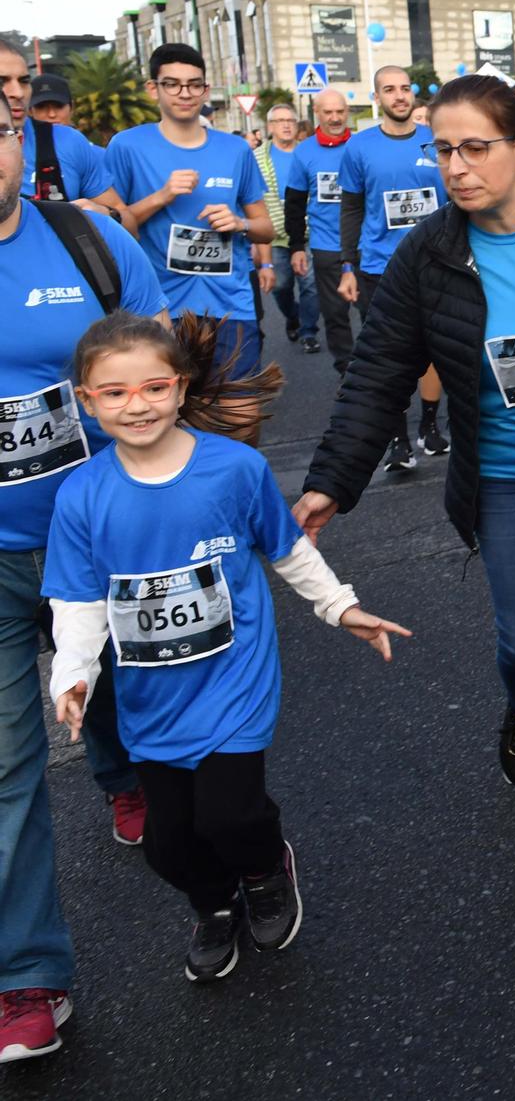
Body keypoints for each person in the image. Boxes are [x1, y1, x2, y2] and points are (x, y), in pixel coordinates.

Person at [294, 74, 515, 854]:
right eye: (443, 150)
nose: (456, 166)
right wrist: (332, 479)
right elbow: (379, 370)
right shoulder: (429, 253)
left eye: (475, 147)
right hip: (506, 476)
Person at [43, 311, 406, 984]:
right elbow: (80, 600)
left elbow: (288, 549)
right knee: (170, 842)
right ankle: (212, 904)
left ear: (180, 388)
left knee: (232, 814)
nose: (137, 405)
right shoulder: (80, 496)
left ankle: (266, 868)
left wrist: (341, 607)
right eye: (114, 392)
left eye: (153, 387)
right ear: (87, 403)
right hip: (151, 697)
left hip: (233, 677)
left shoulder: (235, 468)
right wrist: (73, 674)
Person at [0, 117, 166, 1063]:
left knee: (118, 694)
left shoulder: (87, 240)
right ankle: (27, 978)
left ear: (17, 139)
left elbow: (155, 357)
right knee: (7, 769)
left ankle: (140, 783)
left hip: (104, 539)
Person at [101, 45, 275, 408]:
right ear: (154, 89)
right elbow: (111, 229)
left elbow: (266, 228)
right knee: (175, 416)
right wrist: (161, 196)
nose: (185, 93)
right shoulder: (128, 146)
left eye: (194, 85)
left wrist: (240, 223)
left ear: (206, 90)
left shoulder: (235, 150)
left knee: (241, 413)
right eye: (173, 84)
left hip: (230, 305)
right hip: (161, 308)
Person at [337, 65, 450, 467]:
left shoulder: (436, 142)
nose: (399, 96)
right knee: (390, 354)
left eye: (405, 89)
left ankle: (431, 427)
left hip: (436, 261)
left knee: (435, 347)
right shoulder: (358, 147)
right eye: (390, 89)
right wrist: (347, 265)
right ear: (377, 97)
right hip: (378, 266)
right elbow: (350, 209)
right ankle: (397, 439)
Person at [283, 89, 360, 373]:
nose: (335, 117)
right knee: (335, 314)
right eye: (328, 112)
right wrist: (295, 247)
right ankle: (346, 370)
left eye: (340, 111)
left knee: (373, 313)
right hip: (326, 245)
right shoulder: (304, 151)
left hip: (366, 244)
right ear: (317, 112)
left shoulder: (361, 146)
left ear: (347, 112)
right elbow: (294, 203)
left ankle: (375, 369)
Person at [0, 49, 119, 215]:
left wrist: (105, 215)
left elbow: (126, 220)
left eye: (24, 81)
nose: (18, 93)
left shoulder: (69, 141)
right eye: (2, 81)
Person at [255, 104, 318, 354]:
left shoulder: (307, 153)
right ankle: (294, 316)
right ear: (270, 127)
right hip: (274, 233)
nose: (286, 125)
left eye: (290, 120)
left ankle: (309, 331)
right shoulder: (257, 157)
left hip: (308, 231)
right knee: (280, 286)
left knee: (310, 284)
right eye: (280, 120)